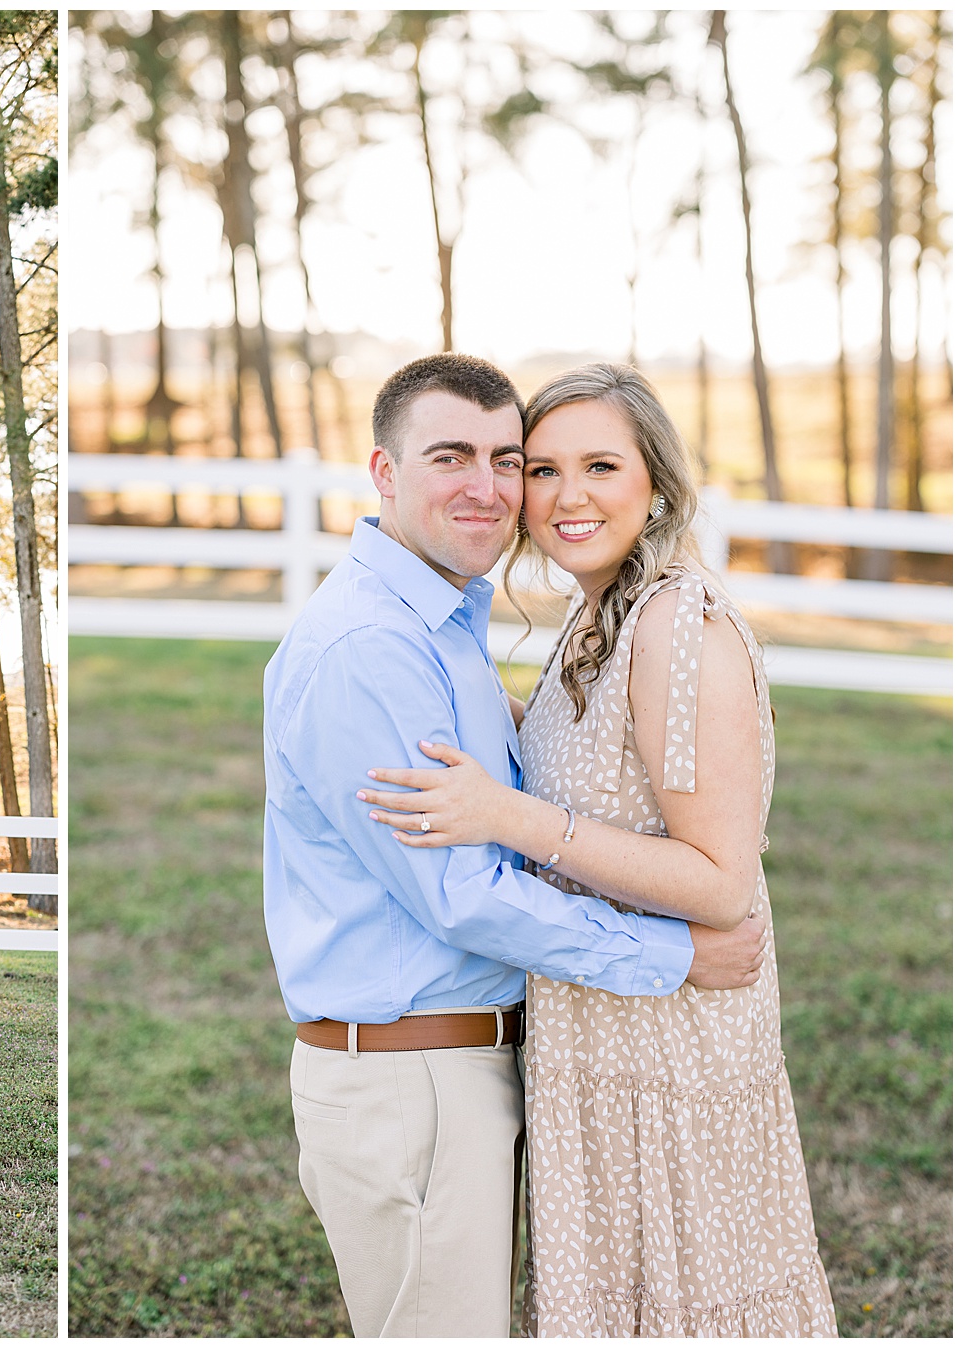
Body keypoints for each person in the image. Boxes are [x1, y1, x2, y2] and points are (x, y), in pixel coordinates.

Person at [262, 353, 769, 1337]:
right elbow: (466, 894)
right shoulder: (373, 647)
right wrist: (678, 954)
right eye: (451, 456)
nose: (488, 488)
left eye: (508, 458)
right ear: (383, 471)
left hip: (460, 1071)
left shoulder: (445, 623)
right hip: (412, 1083)